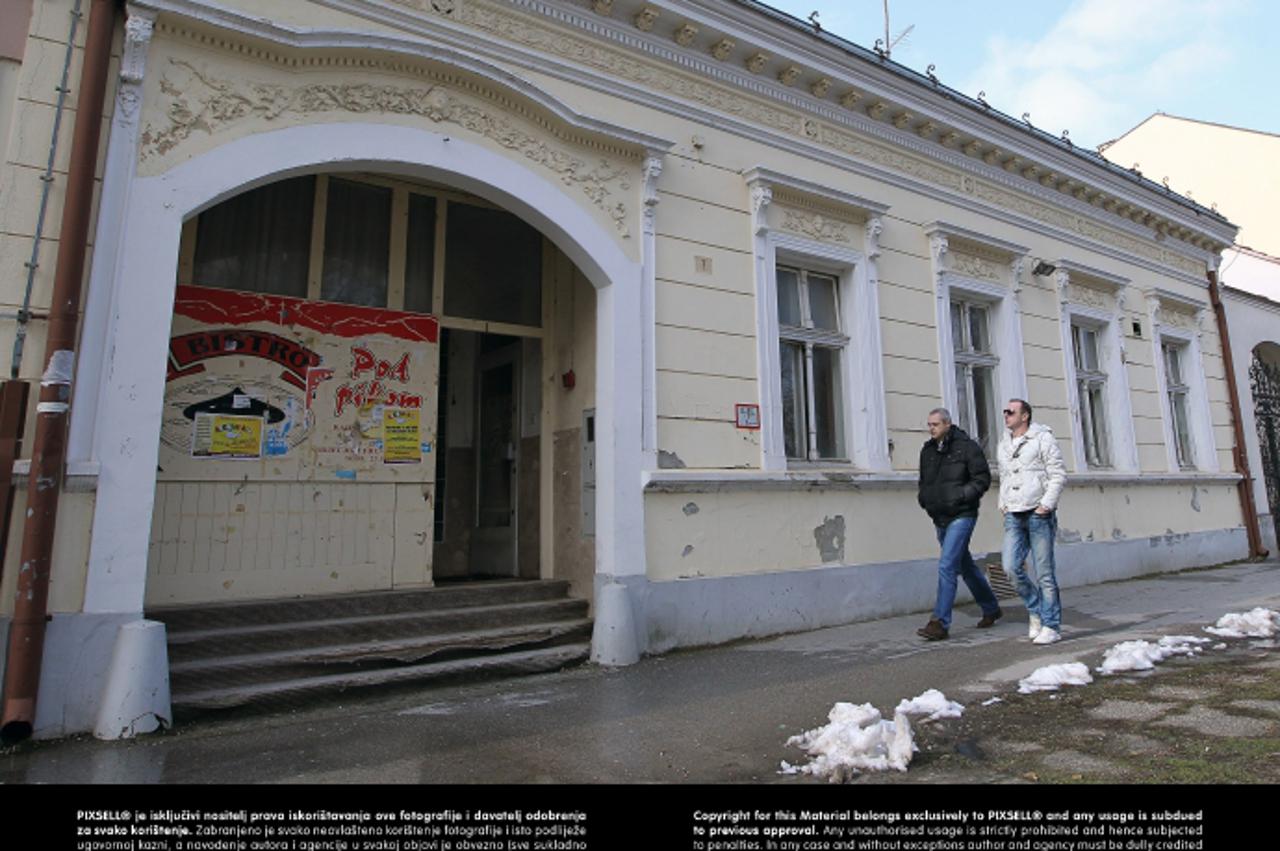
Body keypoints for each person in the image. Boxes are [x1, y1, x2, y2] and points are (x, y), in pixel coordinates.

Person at [915, 408, 1002, 641]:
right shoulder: (928, 450)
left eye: (935, 424)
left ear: (947, 424)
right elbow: (924, 481)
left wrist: (961, 496)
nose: (931, 428)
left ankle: (939, 623)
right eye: (929, 424)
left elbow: (982, 479)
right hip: (939, 516)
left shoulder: (967, 447)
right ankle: (991, 607)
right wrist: (925, 499)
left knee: (946, 566)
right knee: (965, 566)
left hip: (962, 515)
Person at [997, 399, 1067, 645]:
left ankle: (1052, 625)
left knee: (1044, 572)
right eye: (1005, 411)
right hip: (1013, 513)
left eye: (1011, 412)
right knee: (1010, 567)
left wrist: (1045, 505)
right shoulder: (1004, 443)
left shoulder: (1042, 438)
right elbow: (1005, 475)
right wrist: (1003, 503)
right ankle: (1035, 608)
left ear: (1024, 416)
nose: (1006, 415)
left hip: (1038, 513)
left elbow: (1057, 473)